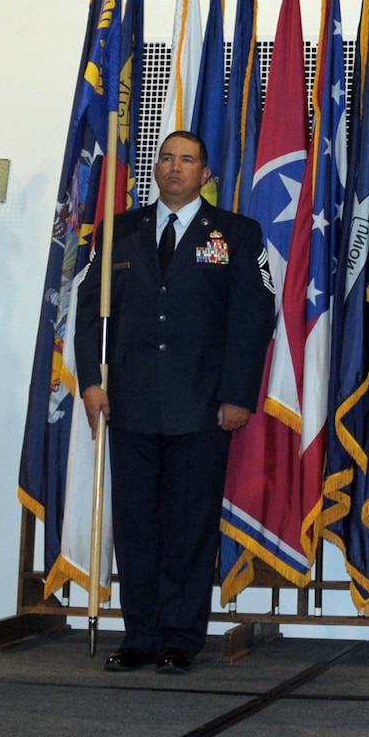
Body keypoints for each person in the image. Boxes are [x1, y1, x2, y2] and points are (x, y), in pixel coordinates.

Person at [77, 130, 273, 674]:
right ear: (154, 169)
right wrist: (92, 380)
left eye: (188, 160)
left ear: (205, 175)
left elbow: (254, 319)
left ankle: (180, 639)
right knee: (136, 525)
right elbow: (91, 308)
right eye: (166, 157)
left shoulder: (236, 232)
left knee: (190, 525)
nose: (175, 167)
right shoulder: (118, 232)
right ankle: (139, 635)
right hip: (130, 403)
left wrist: (238, 394)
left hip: (202, 406)